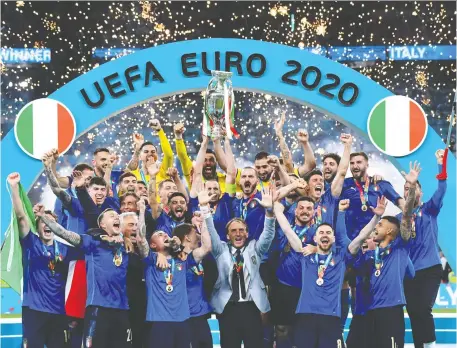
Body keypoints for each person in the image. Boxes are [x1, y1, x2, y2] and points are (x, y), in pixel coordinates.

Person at [274, 194, 387, 348]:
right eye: (321, 233)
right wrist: (277, 210)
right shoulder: (304, 254)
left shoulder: (342, 256)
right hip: (306, 317)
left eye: (328, 233)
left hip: (331, 318)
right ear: (315, 238)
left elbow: (361, 237)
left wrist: (376, 218)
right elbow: (287, 230)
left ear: (333, 239)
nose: (325, 235)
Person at [37, 207, 135, 348]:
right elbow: (64, 233)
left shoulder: (125, 246)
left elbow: (144, 244)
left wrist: (142, 213)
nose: (116, 218)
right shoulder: (92, 242)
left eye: (118, 216)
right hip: (98, 308)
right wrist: (44, 217)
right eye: (111, 216)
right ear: (102, 224)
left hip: (122, 310)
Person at [352, 161, 421, 348]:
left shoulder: (400, 247)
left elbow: (406, 217)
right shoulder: (369, 255)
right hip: (371, 311)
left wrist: (412, 186)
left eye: (381, 225)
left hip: (391, 311)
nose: (377, 227)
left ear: (391, 231)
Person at [7, 172, 76, 348]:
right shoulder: (31, 243)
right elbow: (22, 217)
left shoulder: (67, 251)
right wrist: (14, 188)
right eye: (43, 222)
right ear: (37, 226)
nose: (47, 225)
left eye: (51, 222)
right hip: (34, 312)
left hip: (59, 313)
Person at [136, 191, 212, 348]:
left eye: (165, 233)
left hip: (183, 321)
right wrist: (142, 211)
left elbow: (206, 247)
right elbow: (140, 239)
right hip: (159, 322)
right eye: (159, 234)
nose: (164, 234)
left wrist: (204, 214)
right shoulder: (150, 260)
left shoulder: (183, 259)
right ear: (153, 245)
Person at [208, 184, 276, 348]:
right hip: (228, 308)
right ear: (227, 235)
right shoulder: (220, 250)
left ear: (247, 232)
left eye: (241, 230)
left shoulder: (255, 248)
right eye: (233, 231)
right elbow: (210, 231)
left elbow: (267, 235)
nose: (238, 234)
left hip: (252, 307)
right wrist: (204, 209)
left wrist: (269, 212)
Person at [401, 150, 447, 348]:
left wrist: (440, 164)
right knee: (413, 310)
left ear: (420, 192)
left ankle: (429, 346)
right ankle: (421, 345)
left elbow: (442, 189)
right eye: (405, 188)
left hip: (429, 269)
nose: (408, 191)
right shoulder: (400, 219)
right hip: (409, 272)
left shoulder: (429, 210)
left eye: (411, 187)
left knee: (423, 308)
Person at [341, 151, 406, 240]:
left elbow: (401, 203)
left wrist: (409, 217)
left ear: (367, 165)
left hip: (374, 240)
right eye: (352, 163)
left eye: (359, 162)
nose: (355, 166)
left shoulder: (380, 184)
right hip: (350, 241)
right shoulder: (344, 184)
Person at [173, 221, 213, 348]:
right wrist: (204, 216)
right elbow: (207, 247)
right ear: (187, 237)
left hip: (200, 315)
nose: (199, 236)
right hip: (187, 317)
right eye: (195, 233)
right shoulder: (179, 258)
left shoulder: (195, 257)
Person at [189, 135, 237, 241]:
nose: (212, 192)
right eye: (209, 189)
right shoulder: (195, 202)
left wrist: (227, 143)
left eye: (215, 189)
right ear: (203, 190)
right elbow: (197, 173)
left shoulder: (226, 202)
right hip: (202, 247)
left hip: (223, 247)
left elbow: (232, 173)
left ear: (220, 192)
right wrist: (204, 143)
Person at [121, 211, 147, 348]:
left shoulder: (143, 249)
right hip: (124, 307)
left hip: (143, 307)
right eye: (131, 225)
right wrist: (122, 239)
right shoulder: (117, 247)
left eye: (137, 225)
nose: (135, 228)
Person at [127, 119, 174, 187]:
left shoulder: (162, 172)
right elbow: (128, 170)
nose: (150, 154)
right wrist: (138, 148)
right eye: (146, 152)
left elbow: (169, 155)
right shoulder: (134, 176)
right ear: (140, 156)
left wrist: (160, 131)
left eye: (153, 152)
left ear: (157, 156)